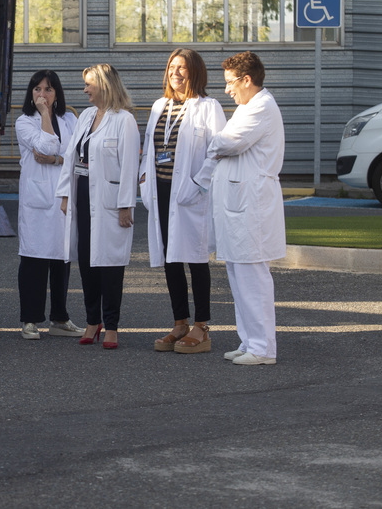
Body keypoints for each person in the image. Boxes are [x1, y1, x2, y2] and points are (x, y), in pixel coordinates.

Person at [140, 49, 226, 354]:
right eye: (172, 67)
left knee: (196, 258)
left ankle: (202, 327)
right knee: (170, 258)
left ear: (196, 72)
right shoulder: (159, 106)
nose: (176, 73)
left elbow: (217, 151)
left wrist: (198, 185)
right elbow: (150, 148)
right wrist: (144, 180)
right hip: (161, 191)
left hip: (190, 195)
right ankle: (180, 322)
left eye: (183, 68)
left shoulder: (208, 107)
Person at [207, 51, 285, 366]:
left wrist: (214, 142)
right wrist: (218, 142)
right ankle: (249, 341)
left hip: (251, 207)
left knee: (252, 275)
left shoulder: (262, 107)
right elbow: (225, 142)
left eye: (230, 83)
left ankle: (264, 348)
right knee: (238, 274)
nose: (227, 90)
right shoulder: (247, 107)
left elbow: (227, 143)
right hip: (238, 206)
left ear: (246, 79)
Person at [56, 63, 138, 350]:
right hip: (82, 193)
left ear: (104, 85)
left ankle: (111, 324)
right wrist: (65, 194)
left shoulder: (123, 119)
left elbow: (129, 164)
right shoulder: (87, 115)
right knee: (88, 261)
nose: (85, 89)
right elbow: (71, 156)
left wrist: (126, 204)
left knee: (111, 264)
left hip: (110, 200)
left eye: (89, 84)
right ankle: (93, 320)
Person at [14, 70, 84, 340]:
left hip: (64, 195)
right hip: (38, 197)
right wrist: (44, 115)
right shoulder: (24, 122)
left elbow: (77, 154)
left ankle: (59, 317)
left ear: (57, 94)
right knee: (34, 258)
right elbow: (46, 145)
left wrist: (56, 160)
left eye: (48, 90)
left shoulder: (69, 119)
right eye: (37, 90)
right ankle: (30, 320)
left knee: (61, 258)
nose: (42, 95)